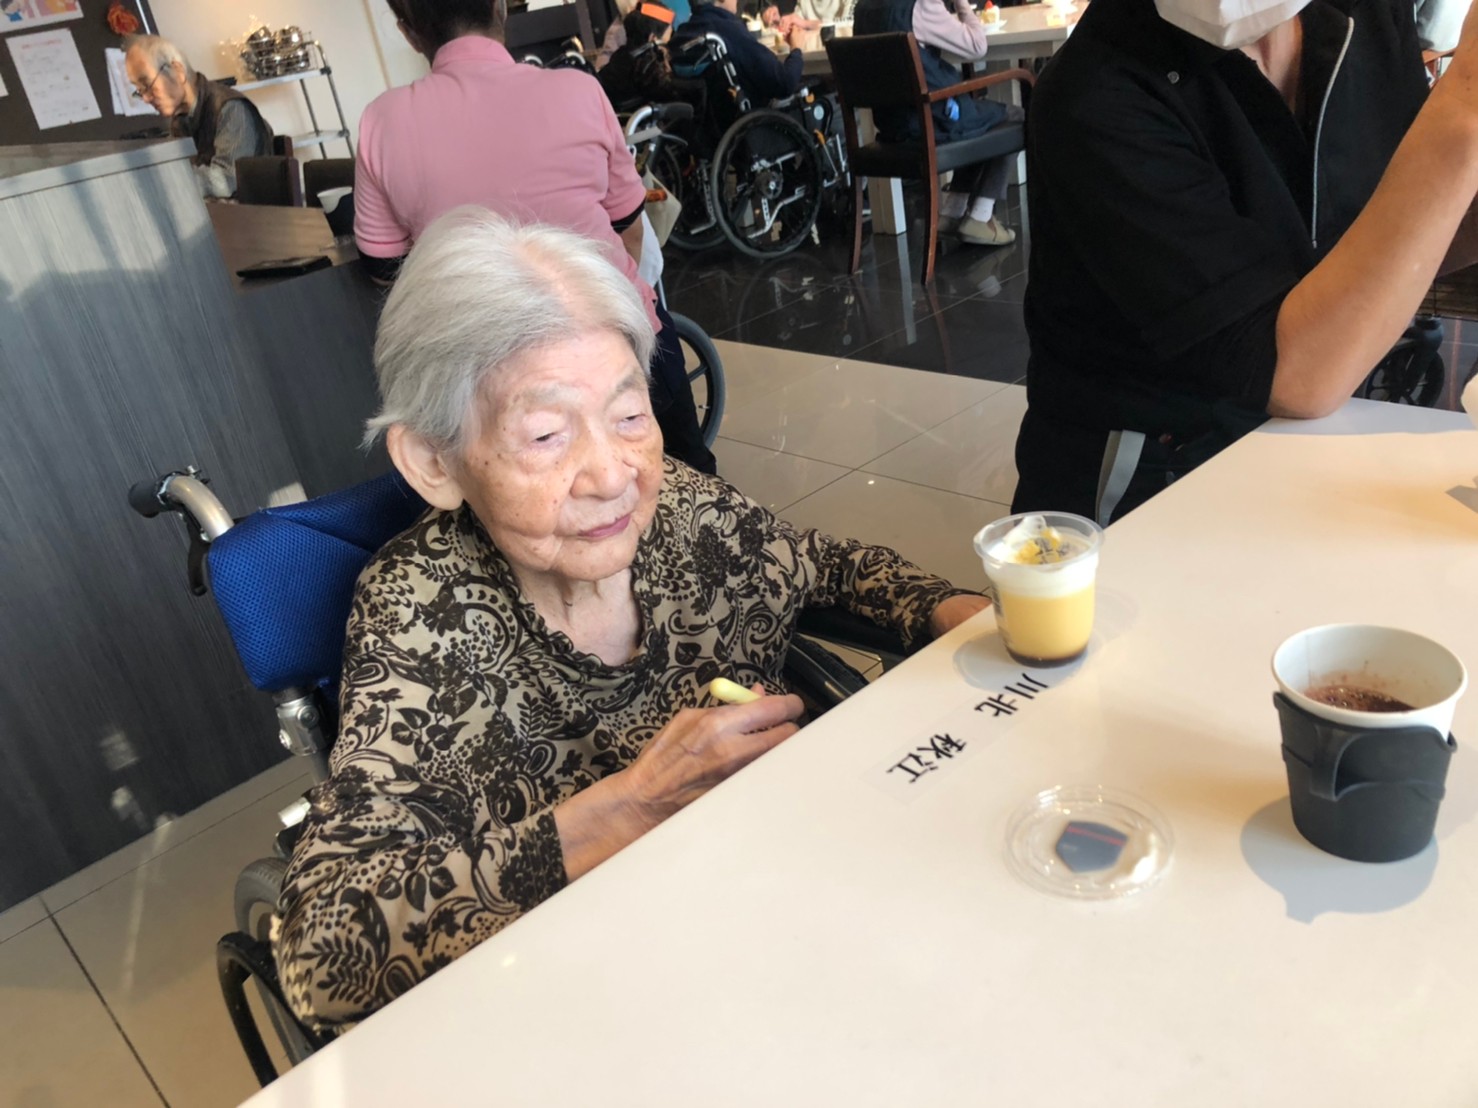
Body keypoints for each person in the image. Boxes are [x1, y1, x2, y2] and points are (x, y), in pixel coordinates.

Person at [274, 210, 991, 1027]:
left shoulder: (676, 506)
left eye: (629, 415)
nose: (613, 475)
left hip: (781, 910)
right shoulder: (421, 614)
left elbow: (818, 564)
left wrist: (953, 608)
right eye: (547, 434)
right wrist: (631, 806)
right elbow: (322, 953)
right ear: (434, 463)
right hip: (602, 992)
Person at [1011, 0, 1478, 522]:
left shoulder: (1364, 16)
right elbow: (1295, 375)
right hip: (1155, 471)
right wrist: (1463, 106)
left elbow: (1399, 242)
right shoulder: (1098, 90)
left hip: (1322, 434)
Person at [358, 0, 716, 475]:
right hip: (618, 342)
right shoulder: (577, 90)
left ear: (407, 31)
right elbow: (630, 230)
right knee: (691, 479)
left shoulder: (382, 121)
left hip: (488, 383)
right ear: (500, 8)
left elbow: (388, 275)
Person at [853, 0, 1023, 246]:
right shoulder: (922, 6)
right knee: (1013, 116)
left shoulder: (862, 8)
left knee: (978, 117)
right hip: (931, 124)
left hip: (892, 128)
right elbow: (977, 46)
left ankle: (952, 212)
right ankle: (980, 216)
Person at [122, 35, 273, 199]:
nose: (145, 98)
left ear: (178, 71)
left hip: (255, 212)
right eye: (140, 90)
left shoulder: (231, 108)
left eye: (147, 85)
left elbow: (225, 180)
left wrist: (165, 181)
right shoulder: (181, 120)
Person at [674, 0, 807, 103]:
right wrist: (796, 49)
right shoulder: (729, 31)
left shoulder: (682, 34)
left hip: (703, 125)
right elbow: (785, 83)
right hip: (751, 122)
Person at [598, 2, 682, 109]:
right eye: (670, 34)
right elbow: (670, 95)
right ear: (653, 38)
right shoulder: (648, 68)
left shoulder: (618, 60)